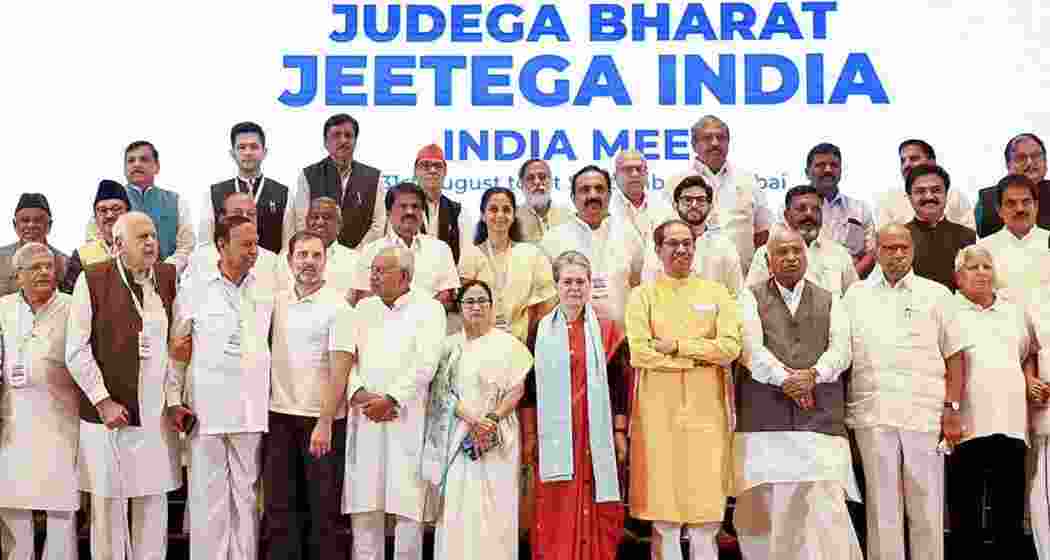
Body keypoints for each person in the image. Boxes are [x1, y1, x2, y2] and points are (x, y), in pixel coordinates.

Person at [734, 225, 861, 559]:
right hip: (765, 422)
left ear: (806, 255)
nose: (790, 258)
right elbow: (750, 349)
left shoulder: (830, 298)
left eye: (796, 251)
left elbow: (841, 350)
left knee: (825, 507)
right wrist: (786, 381)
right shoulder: (749, 296)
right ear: (767, 258)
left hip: (819, 420)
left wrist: (813, 376)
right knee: (768, 510)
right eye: (782, 252)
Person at [842, 223, 968, 560]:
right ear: (877, 252)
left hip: (924, 413)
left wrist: (952, 407)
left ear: (912, 250)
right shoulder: (856, 296)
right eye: (889, 248)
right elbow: (843, 357)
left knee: (926, 505)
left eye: (903, 248)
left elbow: (955, 355)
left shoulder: (937, 294)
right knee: (882, 508)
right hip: (873, 412)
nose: (897, 254)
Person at [66, 211, 183, 560]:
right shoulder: (93, 278)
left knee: (153, 504)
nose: (150, 242)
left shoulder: (166, 275)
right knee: (109, 509)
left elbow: (178, 346)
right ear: (117, 245)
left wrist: (175, 400)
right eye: (141, 236)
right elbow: (75, 349)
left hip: (156, 413)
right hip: (110, 414)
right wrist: (103, 401)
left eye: (153, 236)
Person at [625, 219, 742, 560]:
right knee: (666, 518)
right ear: (658, 249)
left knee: (706, 517)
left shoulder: (716, 292)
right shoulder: (642, 295)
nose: (681, 249)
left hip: (707, 413)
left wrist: (675, 347)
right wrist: (699, 358)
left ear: (695, 247)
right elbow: (640, 352)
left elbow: (730, 347)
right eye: (672, 243)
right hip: (658, 414)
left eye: (687, 243)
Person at [167, 215, 276, 560]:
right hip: (207, 409)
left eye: (255, 243)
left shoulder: (268, 285)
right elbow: (177, 350)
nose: (252, 251)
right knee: (208, 498)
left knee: (246, 496)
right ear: (220, 245)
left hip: (250, 407)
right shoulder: (194, 287)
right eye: (244, 244)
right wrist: (173, 398)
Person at [517, 251, 629, 560]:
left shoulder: (607, 329)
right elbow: (530, 389)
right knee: (555, 503)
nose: (574, 288)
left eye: (581, 281)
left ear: (590, 285)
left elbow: (619, 385)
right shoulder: (539, 330)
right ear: (556, 285)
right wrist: (529, 435)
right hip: (554, 436)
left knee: (598, 502)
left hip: (595, 435)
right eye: (567, 281)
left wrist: (619, 432)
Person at [344, 246, 446, 560]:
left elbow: (426, 364)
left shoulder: (429, 309)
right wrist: (360, 394)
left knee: (408, 512)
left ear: (404, 276)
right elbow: (347, 360)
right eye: (372, 270)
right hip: (365, 418)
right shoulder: (362, 309)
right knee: (365, 510)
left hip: (406, 418)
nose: (372, 276)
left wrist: (390, 400)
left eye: (380, 270)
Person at [422, 280, 531, 560]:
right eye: (470, 301)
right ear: (459, 308)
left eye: (483, 300)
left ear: (492, 306)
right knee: (459, 508)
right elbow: (441, 392)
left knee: (497, 509)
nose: (477, 307)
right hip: (458, 435)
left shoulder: (509, 345)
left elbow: (517, 389)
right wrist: (473, 420)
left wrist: (491, 419)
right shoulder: (448, 347)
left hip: (498, 435)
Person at [265, 230, 355, 560]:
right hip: (279, 417)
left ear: (326, 261)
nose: (309, 262)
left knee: (323, 513)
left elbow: (340, 368)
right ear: (289, 261)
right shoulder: (277, 301)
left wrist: (325, 421)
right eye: (302, 255)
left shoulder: (338, 306)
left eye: (316, 255)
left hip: (322, 422)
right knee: (279, 510)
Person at [948, 244, 1035, 556]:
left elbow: (1027, 356)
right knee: (964, 518)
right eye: (973, 267)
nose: (982, 273)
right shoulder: (947, 310)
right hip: (965, 427)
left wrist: (1031, 380)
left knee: (1008, 519)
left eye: (987, 266)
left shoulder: (1013, 311)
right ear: (958, 277)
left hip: (1011, 424)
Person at [0, 243, 79, 560]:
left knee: (61, 508)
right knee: (12, 505)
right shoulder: (3, 307)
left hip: (61, 421)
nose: (45, 272)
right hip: (13, 421)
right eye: (35, 267)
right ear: (18, 276)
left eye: (49, 266)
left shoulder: (73, 307)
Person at [543, 166, 643, 326]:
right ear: (573, 198)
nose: (593, 195)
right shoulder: (553, 239)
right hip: (570, 339)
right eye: (585, 189)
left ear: (609, 195)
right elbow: (547, 296)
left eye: (599, 188)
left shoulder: (629, 234)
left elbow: (637, 285)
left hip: (621, 338)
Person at [458, 187, 556, 342]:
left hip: (522, 343)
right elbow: (466, 306)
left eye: (506, 209)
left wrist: (528, 338)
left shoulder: (532, 254)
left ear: (513, 215)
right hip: (480, 342)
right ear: (483, 215)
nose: (500, 215)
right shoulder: (470, 255)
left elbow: (544, 304)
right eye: (493, 209)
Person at [683, 115, 772, 275]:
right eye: (707, 138)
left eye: (721, 138)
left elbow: (762, 234)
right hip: (691, 283)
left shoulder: (748, 181)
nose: (715, 143)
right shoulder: (677, 182)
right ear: (694, 145)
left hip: (742, 283)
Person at [285, 113, 385, 250]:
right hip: (318, 257)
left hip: (361, 258)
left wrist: (355, 254)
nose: (343, 140)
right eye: (336, 135)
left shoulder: (374, 177)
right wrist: (317, 250)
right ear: (326, 142)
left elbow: (378, 224)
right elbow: (302, 221)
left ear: (355, 141)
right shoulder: (308, 174)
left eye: (348, 135)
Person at [351, 182, 459, 308]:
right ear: (388, 212)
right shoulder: (371, 250)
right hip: (384, 325)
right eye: (403, 206)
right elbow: (364, 296)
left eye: (415, 206)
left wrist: (418, 316)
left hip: (429, 323)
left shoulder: (440, 249)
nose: (410, 211)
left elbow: (447, 295)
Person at [746, 184, 858, 297]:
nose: (809, 214)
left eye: (816, 209)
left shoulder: (839, 254)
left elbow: (854, 301)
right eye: (801, 209)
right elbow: (751, 300)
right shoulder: (766, 253)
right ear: (786, 215)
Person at [102, 141, 196, 275]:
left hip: (170, 280)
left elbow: (187, 245)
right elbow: (98, 240)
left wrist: (164, 272)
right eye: (131, 161)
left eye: (143, 159)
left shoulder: (175, 201)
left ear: (156, 167)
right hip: (123, 280)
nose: (136, 164)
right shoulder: (110, 202)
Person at [641, 175, 743, 296]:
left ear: (710, 206)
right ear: (675, 205)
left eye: (700, 200)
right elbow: (648, 288)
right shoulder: (660, 241)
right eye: (687, 200)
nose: (694, 205)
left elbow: (736, 294)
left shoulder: (724, 246)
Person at [200, 121, 290, 254]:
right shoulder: (214, 193)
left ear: (264, 152)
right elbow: (206, 244)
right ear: (232, 153)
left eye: (254, 147)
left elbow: (287, 245)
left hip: (269, 268)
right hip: (227, 271)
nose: (248, 152)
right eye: (242, 147)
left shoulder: (283, 193)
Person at [184, 191, 285, 295]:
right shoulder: (200, 259)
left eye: (251, 214)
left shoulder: (272, 261)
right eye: (238, 213)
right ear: (222, 218)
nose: (246, 218)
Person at [899, 164, 976, 291]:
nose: (929, 197)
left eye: (936, 190)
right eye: (920, 191)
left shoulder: (967, 236)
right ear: (909, 197)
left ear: (946, 194)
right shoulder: (899, 237)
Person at [806, 143, 877, 278]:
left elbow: (871, 253)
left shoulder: (860, 209)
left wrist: (848, 281)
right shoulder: (792, 210)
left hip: (852, 288)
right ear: (807, 172)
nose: (828, 170)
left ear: (840, 171)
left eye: (834, 165)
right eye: (820, 165)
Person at [874, 139, 974, 229]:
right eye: (903, 161)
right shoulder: (887, 201)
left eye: (914, 158)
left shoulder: (955, 196)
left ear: (932, 162)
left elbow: (972, 240)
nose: (906, 165)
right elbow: (884, 241)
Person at [977, 174, 1050, 294]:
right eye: (1011, 203)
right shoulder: (983, 250)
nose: (1020, 209)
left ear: (1036, 206)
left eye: (1026, 202)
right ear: (999, 210)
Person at [277, 197, 358, 300]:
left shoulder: (354, 260)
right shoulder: (285, 260)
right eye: (315, 217)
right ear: (306, 222)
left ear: (339, 225)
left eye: (327, 217)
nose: (320, 222)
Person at [60, 180, 129, 294]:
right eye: (102, 210)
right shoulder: (82, 255)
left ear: (128, 212)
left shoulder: (143, 246)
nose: (109, 215)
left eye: (116, 209)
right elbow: (69, 296)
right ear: (96, 218)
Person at [975, 133, 1050, 237]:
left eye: (1036, 156)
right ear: (1008, 165)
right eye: (1021, 158)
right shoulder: (987, 201)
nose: (1030, 163)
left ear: (1045, 162)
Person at [414, 144, 473, 264]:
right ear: (415, 171)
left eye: (437, 166)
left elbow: (466, 256)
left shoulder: (458, 211)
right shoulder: (402, 208)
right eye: (425, 165)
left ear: (445, 171)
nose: (432, 170)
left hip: (448, 279)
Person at [0, 193, 69, 297]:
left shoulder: (65, 263)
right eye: (25, 220)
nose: (31, 225)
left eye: (38, 220)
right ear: (15, 225)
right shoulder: (1, 258)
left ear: (49, 225)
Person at [1026, 281, 1050, 560]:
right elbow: (1027, 352)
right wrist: (1030, 379)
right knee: (1044, 491)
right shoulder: (1036, 299)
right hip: (1045, 404)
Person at [609, 150, 671, 251]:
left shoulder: (664, 204)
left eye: (639, 169)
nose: (634, 174)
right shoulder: (606, 207)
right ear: (615, 177)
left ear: (646, 174)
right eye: (628, 169)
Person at [515, 159, 572, 242]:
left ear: (551, 181)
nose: (537, 182)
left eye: (542, 177)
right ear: (521, 184)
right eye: (530, 178)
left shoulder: (568, 216)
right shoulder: (514, 218)